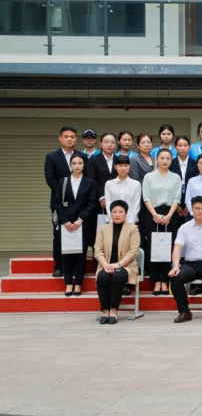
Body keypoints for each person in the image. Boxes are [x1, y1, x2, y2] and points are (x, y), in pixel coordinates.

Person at [168, 196, 202, 325]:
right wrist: (175, 266)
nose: (200, 211)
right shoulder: (184, 227)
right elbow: (177, 249)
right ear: (191, 209)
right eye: (197, 208)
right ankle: (184, 311)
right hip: (190, 264)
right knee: (175, 277)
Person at [52, 154, 96, 296]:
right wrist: (65, 221)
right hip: (66, 223)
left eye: (80, 163)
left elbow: (92, 203)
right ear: (70, 165)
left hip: (83, 223)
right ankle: (68, 284)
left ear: (84, 165)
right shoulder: (63, 182)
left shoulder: (89, 182)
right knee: (66, 254)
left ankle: (78, 284)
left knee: (81, 254)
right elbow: (57, 203)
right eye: (74, 163)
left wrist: (80, 220)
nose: (77, 166)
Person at [141, 149, 182, 296]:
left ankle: (165, 280)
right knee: (154, 247)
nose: (165, 161)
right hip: (152, 214)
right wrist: (155, 215)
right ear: (156, 159)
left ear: (171, 160)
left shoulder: (176, 177)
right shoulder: (148, 177)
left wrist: (169, 215)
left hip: (170, 214)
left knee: (168, 247)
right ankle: (156, 281)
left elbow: (177, 198)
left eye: (168, 158)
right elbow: (146, 197)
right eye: (162, 158)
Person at [45, 126, 84, 277]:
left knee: (78, 232)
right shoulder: (52, 157)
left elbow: (86, 178)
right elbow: (50, 179)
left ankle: (76, 266)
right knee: (59, 233)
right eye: (66, 136)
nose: (69, 139)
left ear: (76, 139)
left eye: (72, 137)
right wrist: (66, 194)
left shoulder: (82, 156)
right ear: (60, 138)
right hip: (59, 203)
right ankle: (59, 265)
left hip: (79, 203)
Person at [93, 200, 140, 324]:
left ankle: (113, 310)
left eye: (121, 212)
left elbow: (133, 252)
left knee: (117, 277)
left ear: (126, 214)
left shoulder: (133, 229)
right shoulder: (103, 229)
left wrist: (118, 265)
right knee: (102, 277)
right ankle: (105, 311)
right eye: (114, 212)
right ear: (110, 214)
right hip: (106, 265)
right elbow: (97, 250)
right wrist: (105, 265)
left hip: (126, 266)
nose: (117, 214)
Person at [86, 132, 118, 239]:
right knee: (99, 233)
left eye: (112, 142)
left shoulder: (119, 160)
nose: (109, 145)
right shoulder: (93, 160)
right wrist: (102, 196)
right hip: (98, 201)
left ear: (116, 144)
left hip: (117, 199)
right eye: (106, 142)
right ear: (100, 144)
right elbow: (92, 180)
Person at [105, 156, 141, 224]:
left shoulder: (136, 184)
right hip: (112, 222)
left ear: (129, 166)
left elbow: (136, 206)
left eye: (126, 165)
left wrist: (129, 223)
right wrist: (114, 221)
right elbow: (108, 204)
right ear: (115, 167)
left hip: (131, 222)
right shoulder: (109, 184)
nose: (123, 168)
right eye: (120, 166)